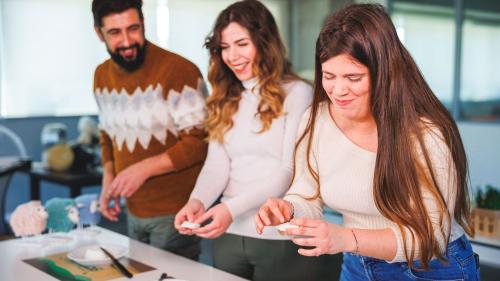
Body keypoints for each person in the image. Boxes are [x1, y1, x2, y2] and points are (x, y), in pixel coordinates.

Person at [255, 4, 480, 281]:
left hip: (432, 268)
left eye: (353, 77)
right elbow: (307, 194)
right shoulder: (317, 118)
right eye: (328, 76)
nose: (338, 90)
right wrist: (289, 208)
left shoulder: (425, 134)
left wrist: (347, 238)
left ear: (385, 71)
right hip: (358, 263)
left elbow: (430, 237)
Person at [174, 1, 319, 280]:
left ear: (265, 42)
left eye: (241, 43)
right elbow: (217, 166)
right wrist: (197, 201)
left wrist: (228, 209)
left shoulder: (298, 93)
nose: (232, 56)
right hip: (227, 235)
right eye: (224, 47)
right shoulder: (224, 98)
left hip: (279, 235)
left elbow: (288, 172)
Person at [91, 0, 208, 260]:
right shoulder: (101, 75)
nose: (127, 41)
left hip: (177, 212)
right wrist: (108, 178)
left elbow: (200, 141)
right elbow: (107, 134)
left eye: (133, 28)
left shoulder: (179, 71)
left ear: (144, 23)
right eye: (114, 32)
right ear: (99, 33)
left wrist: (143, 169)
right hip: (133, 210)